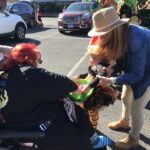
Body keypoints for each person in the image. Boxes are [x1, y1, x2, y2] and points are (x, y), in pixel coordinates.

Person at [0, 43, 112, 150]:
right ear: (29, 60)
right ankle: (92, 139)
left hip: (16, 127)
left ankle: (92, 138)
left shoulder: (5, 75)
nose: (38, 63)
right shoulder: (29, 74)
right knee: (86, 143)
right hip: (40, 132)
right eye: (38, 60)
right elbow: (67, 84)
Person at [88, 7, 150, 149]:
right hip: (138, 70)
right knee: (125, 98)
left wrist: (111, 80)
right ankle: (124, 121)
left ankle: (133, 138)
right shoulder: (122, 34)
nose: (100, 37)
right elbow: (125, 59)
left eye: (102, 34)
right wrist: (112, 69)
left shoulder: (135, 39)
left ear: (113, 30)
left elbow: (137, 74)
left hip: (147, 74)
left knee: (136, 108)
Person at [72, 44, 118, 129]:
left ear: (102, 59)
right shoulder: (96, 65)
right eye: (90, 57)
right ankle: (88, 122)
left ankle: (93, 127)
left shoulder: (100, 66)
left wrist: (89, 86)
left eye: (93, 58)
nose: (90, 59)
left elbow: (101, 74)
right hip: (88, 91)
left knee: (92, 110)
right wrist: (80, 76)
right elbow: (90, 73)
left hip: (94, 94)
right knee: (85, 108)